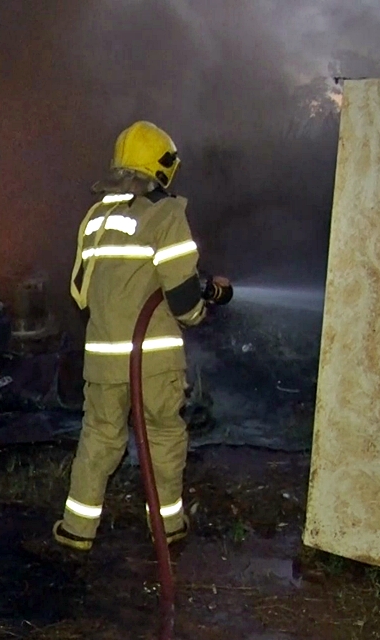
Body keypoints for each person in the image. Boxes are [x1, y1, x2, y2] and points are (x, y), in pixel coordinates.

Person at [54, 120, 231, 552]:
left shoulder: (96, 219)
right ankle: (167, 527)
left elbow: (79, 291)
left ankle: (77, 531)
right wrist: (201, 305)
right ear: (163, 167)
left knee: (99, 437)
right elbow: (183, 296)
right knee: (163, 437)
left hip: (101, 359)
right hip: (152, 361)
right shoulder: (166, 214)